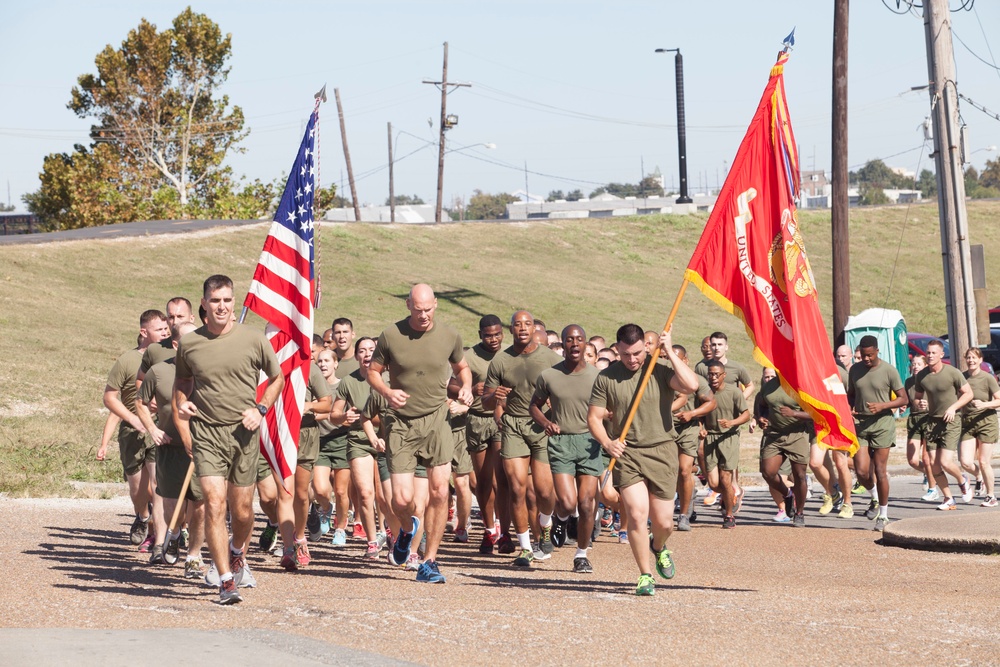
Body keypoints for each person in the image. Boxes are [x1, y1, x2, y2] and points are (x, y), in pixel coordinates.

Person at [172, 275, 284, 605]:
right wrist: (182, 402)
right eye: (215, 300)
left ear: (234, 302)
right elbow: (182, 381)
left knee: (244, 510)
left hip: (244, 433)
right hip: (207, 432)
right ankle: (225, 581)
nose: (221, 306)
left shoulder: (253, 339)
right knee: (214, 502)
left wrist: (261, 408)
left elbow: (277, 379)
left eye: (227, 300)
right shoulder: (191, 343)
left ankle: (237, 552)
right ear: (204, 304)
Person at [367, 284, 472, 583]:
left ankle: (430, 561)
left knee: (440, 491)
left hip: (437, 419)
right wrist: (387, 391)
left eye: (428, 309)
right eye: (417, 309)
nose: (423, 315)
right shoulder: (391, 335)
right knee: (401, 500)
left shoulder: (450, 335)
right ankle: (406, 531)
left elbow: (462, 367)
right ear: (407, 305)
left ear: (435, 305)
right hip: (400, 423)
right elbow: (373, 372)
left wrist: (465, 385)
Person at [587, 324, 699, 597]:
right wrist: (607, 442)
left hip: (662, 451)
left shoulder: (658, 371)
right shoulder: (606, 378)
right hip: (627, 453)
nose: (632, 360)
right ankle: (645, 575)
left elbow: (692, 385)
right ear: (617, 350)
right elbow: (594, 417)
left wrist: (669, 351)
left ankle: (659, 547)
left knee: (664, 524)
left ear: (646, 347)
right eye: (626, 354)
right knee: (637, 514)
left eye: (637, 353)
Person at [483, 310, 562, 567]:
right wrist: (495, 396)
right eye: (518, 325)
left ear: (533, 328)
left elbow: (565, 392)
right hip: (513, 426)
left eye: (527, 324)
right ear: (512, 329)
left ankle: (546, 522)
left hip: (542, 426)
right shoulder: (500, 361)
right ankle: (526, 548)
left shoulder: (550, 358)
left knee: (543, 491)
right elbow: (485, 402)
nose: (523, 328)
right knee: (517, 488)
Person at [530, 324, 601, 573]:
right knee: (569, 504)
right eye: (569, 340)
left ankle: (581, 555)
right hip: (561, 443)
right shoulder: (549, 375)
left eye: (579, 339)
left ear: (585, 344)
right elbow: (534, 406)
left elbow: (610, 408)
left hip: (590, 443)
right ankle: (559, 519)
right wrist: (546, 423)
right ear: (563, 344)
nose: (574, 344)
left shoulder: (598, 376)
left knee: (586, 503)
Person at [135, 322, 207, 572]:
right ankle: (174, 534)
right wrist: (152, 429)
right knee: (171, 506)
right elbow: (140, 402)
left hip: (202, 449)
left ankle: (194, 556)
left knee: (200, 505)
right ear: (176, 345)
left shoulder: (208, 370)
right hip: (170, 448)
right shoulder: (158, 371)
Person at [102, 309, 169, 550]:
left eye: (166, 328)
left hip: (159, 428)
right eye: (159, 329)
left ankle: (160, 540)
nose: (165, 332)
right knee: (138, 490)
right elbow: (109, 398)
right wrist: (133, 418)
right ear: (144, 332)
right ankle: (142, 516)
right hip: (132, 432)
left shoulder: (170, 355)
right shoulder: (127, 360)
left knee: (157, 485)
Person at [846, 335, 907, 530]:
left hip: (883, 424)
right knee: (862, 471)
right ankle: (873, 497)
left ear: (877, 351)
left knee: (880, 471)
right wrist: (850, 407)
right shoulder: (855, 370)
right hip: (861, 425)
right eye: (863, 355)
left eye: (870, 355)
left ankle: (884, 515)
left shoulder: (889, 370)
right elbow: (851, 395)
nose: (866, 359)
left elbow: (903, 399)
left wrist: (883, 406)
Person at [461, 315, 507, 554]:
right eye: (488, 335)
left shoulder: (510, 354)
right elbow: (450, 385)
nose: (493, 339)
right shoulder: (469, 357)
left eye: (497, 334)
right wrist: (469, 389)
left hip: (501, 421)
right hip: (477, 421)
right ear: (480, 335)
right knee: (483, 480)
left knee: (501, 478)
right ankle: (489, 531)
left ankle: (503, 529)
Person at [913, 339, 974, 511]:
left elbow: (968, 394)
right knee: (933, 464)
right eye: (928, 352)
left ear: (941, 355)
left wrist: (953, 408)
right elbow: (917, 397)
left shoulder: (952, 373)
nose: (930, 355)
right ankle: (948, 498)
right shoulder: (922, 375)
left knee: (945, 462)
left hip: (951, 421)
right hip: (932, 422)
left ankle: (963, 480)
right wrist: (920, 403)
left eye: (934, 353)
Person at [756, 368, 813, 527]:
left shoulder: (800, 386)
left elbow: (816, 414)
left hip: (797, 435)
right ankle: (788, 495)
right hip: (774, 434)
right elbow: (762, 404)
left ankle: (799, 512)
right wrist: (762, 417)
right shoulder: (769, 385)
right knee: (767, 472)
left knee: (799, 475)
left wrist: (794, 413)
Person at [669, 344, 716, 531]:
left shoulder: (696, 380)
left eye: (678, 358)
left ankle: (684, 514)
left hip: (688, 428)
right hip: (665, 429)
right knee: (667, 471)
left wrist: (693, 413)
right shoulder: (663, 377)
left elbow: (711, 403)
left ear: (686, 360)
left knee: (684, 470)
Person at [702, 360, 752, 528]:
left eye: (717, 374)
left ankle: (729, 515)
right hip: (710, 438)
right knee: (713, 483)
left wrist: (731, 423)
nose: (713, 377)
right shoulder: (704, 392)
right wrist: (701, 428)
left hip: (729, 438)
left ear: (724, 375)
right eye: (710, 374)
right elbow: (700, 415)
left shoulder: (734, 392)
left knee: (725, 478)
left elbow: (746, 415)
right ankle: (730, 495)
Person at [312, 349, 353, 545]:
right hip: (319, 442)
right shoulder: (313, 386)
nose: (323, 364)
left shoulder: (342, 386)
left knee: (341, 491)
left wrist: (323, 414)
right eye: (320, 361)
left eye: (327, 360)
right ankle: (326, 508)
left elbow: (347, 419)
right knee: (320, 489)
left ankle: (341, 528)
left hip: (341, 442)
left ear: (336, 364)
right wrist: (331, 416)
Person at [959, 348, 1000, 507]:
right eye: (968, 357)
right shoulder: (962, 377)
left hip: (986, 423)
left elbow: (999, 400)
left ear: (980, 360)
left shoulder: (988, 378)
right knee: (965, 462)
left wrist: (985, 404)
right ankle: (979, 477)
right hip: (968, 423)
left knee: (983, 461)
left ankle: (991, 496)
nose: (971, 360)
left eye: (974, 358)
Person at [905, 355, 938, 501]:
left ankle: (933, 489)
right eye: (913, 364)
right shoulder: (908, 382)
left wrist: (929, 406)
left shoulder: (930, 380)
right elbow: (907, 401)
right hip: (914, 420)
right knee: (912, 460)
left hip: (929, 419)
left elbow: (941, 400)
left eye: (919, 364)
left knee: (926, 458)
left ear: (925, 365)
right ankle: (930, 473)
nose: (916, 366)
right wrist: (901, 406)